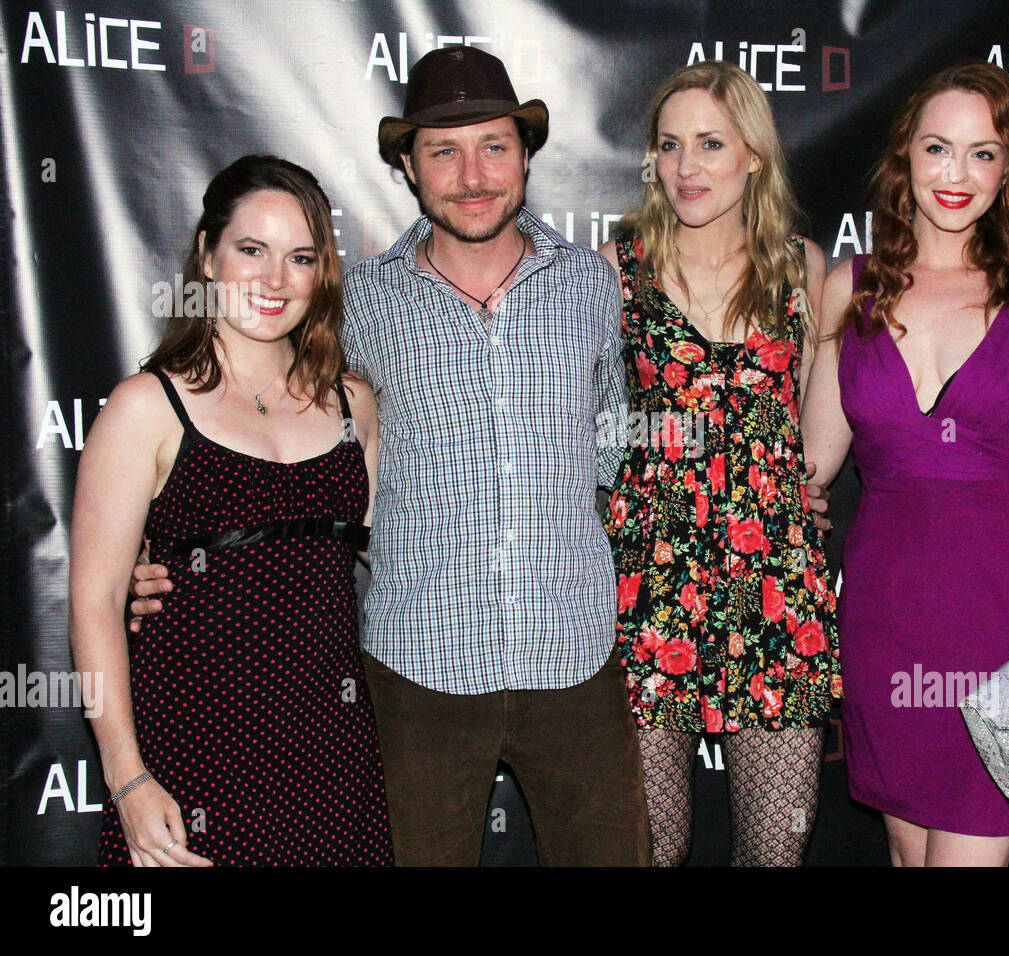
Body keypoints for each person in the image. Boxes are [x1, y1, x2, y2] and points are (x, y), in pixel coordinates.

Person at [134, 46, 651, 866]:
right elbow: (263, 426)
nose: (472, 174)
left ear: (525, 155)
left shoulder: (591, 283)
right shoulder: (358, 303)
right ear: (409, 167)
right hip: (416, 673)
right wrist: (157, 555)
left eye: (494, 146)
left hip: (575, 662)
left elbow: (611, 450)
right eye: (443, 151)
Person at [800, 62, 1009, 866]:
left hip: (1008, 631)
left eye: (983, 154)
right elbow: (809, 464)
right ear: (904, 156)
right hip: (887, 626)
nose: (957, 175)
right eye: (938, 148)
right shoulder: (850, 288)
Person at [71, 155, 392, 866]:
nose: (276, 280)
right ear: (209, 257)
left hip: (333, 763)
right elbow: (94, 604)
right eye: (252, 250)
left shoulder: (353, 405)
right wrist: (127, 780)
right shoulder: (144, 407)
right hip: (191, 761)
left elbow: (392, 553)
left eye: (300, 257)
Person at [598, 60, 840, 866]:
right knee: (652, 852)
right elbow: (590, 428)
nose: (686, 167)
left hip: (772, 582)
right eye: (670, 146)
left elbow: (813, 424)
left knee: (777, 851)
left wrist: (797, 488)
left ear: (755, 157)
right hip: (647, 580)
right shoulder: (615, 268)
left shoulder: (801, 271)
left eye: (710, 143)